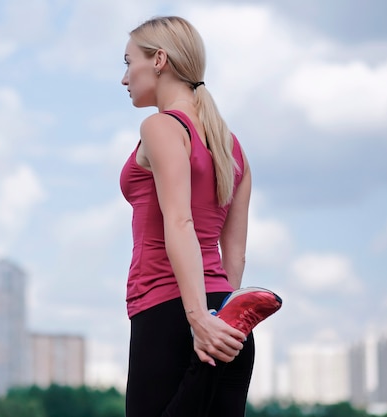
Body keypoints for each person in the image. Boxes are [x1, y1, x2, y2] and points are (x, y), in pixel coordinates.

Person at [119, 16, 280, 417]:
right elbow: (235, 255)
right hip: (227, 322)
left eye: (127, 62)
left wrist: (198, 322)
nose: (124, 78)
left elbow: (180, 222)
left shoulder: (160, 127)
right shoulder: (232, 146)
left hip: (169, 315)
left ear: (159, 59)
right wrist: (221, 317)